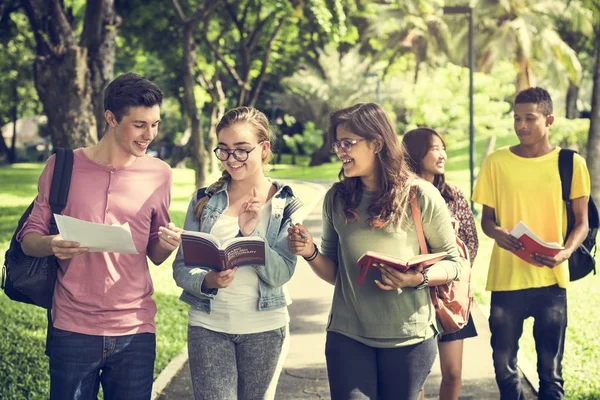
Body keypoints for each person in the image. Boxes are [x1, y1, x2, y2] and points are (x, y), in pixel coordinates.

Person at [18, 72, 181, 399]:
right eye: (139, 125)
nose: (149, 134)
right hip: (72, 328)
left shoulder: (159, 173)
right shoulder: (61, 165)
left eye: (155, 124)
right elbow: (28, 238)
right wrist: (51, 244)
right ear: (111, 118)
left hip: (136, 330)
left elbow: (155, 253)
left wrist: (166, 243)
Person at [287, 103, 464, 400]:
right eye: (337, 143)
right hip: (348, 335)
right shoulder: (337, 199)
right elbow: (336, 274)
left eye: (348, 143)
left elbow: (454, 263)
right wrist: (310, 252)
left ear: (377, 143)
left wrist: (415, 279)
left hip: (409, 338)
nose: (339, 151)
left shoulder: (421, 196)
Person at [172, 106, 300, 400]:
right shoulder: (204, 200)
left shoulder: (284, 204)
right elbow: (181, 268)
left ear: (264, 149)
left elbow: (281, 274)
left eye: (242, 150)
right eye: (225, 150)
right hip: (209, 327)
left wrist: (251, 233)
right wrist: (209, 281)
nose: (232, 159)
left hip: (265, 329)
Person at [473, 87, 590, 400]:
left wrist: (565, 252)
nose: (520, 125)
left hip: (551, 280)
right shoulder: (496, 163)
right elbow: (487, 221)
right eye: (516, 118)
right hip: (507, 279)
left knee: (551, 373)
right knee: (502, 364)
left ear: (548, 119)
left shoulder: (571, 163)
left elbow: (582, 222)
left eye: (529, 118)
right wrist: (498, 234)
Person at [402, 128, 479, 400]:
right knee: (415, 377)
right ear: (415, 152)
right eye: (434, 148)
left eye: (442, 148)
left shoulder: (453, 195)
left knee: (454, 372)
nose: (442, 154)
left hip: (449, 295)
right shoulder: (400, 195)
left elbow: (471, 243)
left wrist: (451, 272)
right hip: (413, 294)